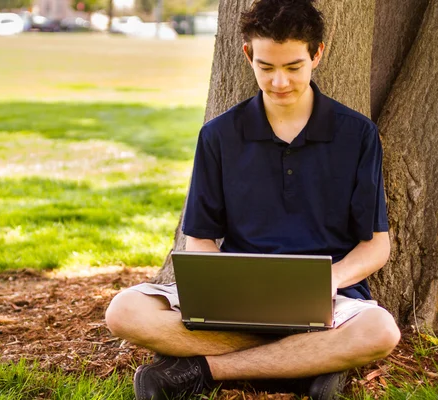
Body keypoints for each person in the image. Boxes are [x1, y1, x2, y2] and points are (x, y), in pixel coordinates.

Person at [105, 0, 401, 399]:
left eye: (293, 67)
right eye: (266, 67)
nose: (279, 82)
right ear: (248, 55)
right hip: (238, 301)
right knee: (124, 311)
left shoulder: (357, 134)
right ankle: (302, 365)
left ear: (317, 55)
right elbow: (201, 239)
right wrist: (221, 290)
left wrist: (327, 282)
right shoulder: (219, 136)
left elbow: (375, 245)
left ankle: (201, 372)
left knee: (380, 332)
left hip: (330, 300)